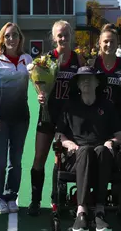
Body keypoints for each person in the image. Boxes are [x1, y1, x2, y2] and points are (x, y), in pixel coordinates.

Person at [56, 66, 121, 231]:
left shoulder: (107, 106)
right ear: (78, 85)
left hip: (102, 157)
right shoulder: (69, 105)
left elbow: (120, 136)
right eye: (82, 79)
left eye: (90, 79)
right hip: (76, 157)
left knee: (101, 149)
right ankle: (81, 211)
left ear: (97, 83)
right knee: (85, 150)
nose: (86, 81)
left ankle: (99, 211)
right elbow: (58, 135)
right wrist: (69, 144)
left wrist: (111, 142)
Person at [27, 20, 85, 216]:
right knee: (39, 157)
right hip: (48, 115)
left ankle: (57, 200)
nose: (63, 38)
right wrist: (40, 93)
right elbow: (37, 82)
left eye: (66, 34)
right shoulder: (45, 61)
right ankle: (35, 200)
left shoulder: (79, 60)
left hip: (70, 119)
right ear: (53, 38)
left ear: (71, 35)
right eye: (59, 35)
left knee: (63, 160)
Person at [0, 22, 33, 214]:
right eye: (7, 36)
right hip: (0, 120)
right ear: (2, 39)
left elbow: (38, 81)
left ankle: (11, 195)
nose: (11, 39)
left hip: (21, 118)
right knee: (1, 161)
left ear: (20, 38)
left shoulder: (27, 59)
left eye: (15, 35)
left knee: (16, 160)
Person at [93, 24, 121, 212]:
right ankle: (96, 197)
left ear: (117, 43)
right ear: (99, 43)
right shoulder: (93, 64)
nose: (108, 44)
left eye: (112, 41)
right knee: (99, 156)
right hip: (99, 119)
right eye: (105, 41)